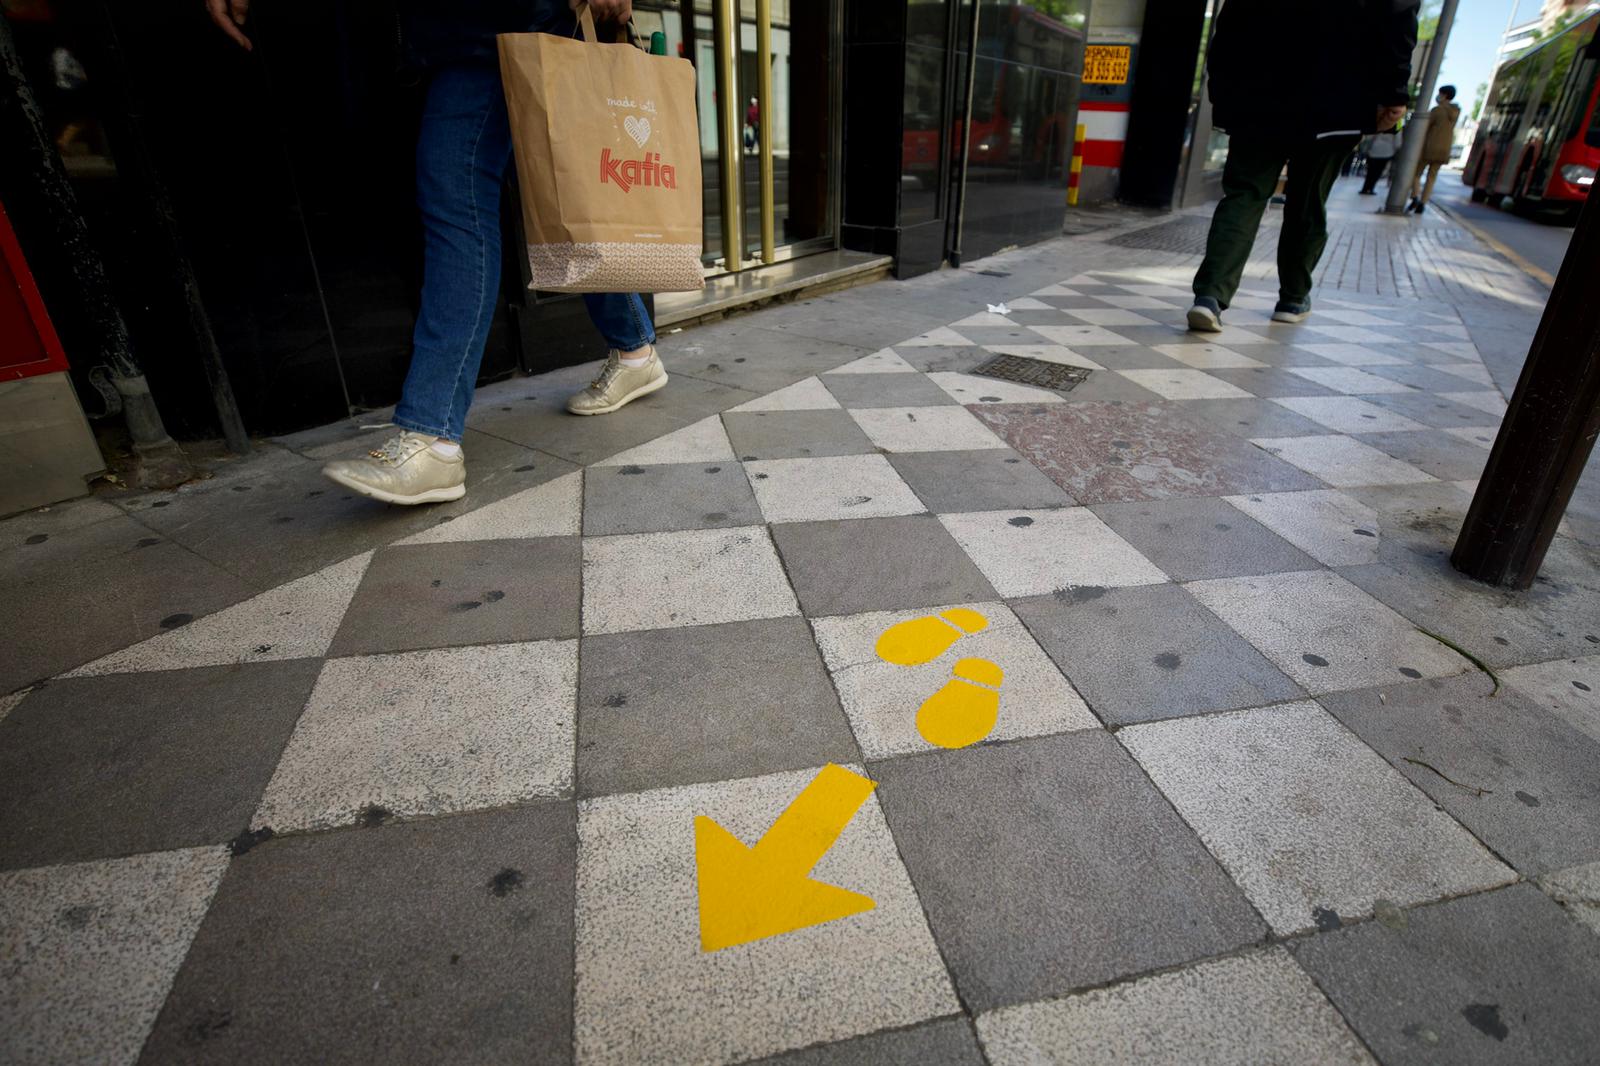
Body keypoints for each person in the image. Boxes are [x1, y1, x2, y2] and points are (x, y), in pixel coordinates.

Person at [205, 0, 666, 505]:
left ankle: (432, 437)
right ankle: (635, 348)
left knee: (460, 199)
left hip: (498, 22)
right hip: (473, 28)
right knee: (562, 193)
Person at [1187, 0, 1418, 332]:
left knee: (1244, 196)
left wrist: (1223, 92)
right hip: (1336, 98)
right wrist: (1394, 92)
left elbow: (1231, 20)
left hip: (1258, 95)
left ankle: (1209, 296)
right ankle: (1293, 298)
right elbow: (1398, 15)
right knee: (1307, 200)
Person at [1408, 85, 1460, 214]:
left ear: (1444, 95)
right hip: (1444, 150)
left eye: (1440, 94)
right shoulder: (1456, 112)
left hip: (1429, 147)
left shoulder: (1437, 110)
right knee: (1432, 177)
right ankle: (1423, 202)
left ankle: (1415, 196)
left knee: (1416, 173)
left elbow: (1424, 127)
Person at [1359, 127, 1399, 195]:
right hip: (1387, 152)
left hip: (1374, 150)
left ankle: (1365, 188)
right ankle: (1371, 188)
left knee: (1370, 170)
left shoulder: (1383, 119)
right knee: (1378, 172)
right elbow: (1398, 142)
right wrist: (1395, 150)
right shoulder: (1397, 126)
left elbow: (1370, 136)